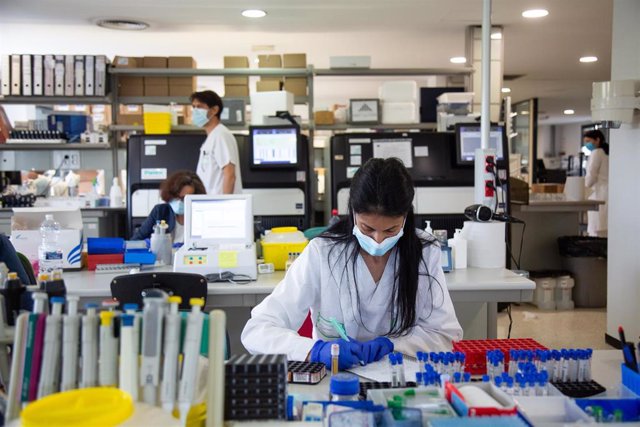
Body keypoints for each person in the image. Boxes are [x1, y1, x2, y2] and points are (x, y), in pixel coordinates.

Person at [242, 158, 462, 370]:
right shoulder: (323, 252)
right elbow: (257, 330)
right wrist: (313, 350)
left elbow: (445, 335)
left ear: (405, 217)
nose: (378, 240)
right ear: (353, 212)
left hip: (401, 379)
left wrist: (394, 345)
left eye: (390, 230)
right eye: (368, 228)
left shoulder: (424, 252)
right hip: (334, 378)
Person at [190, 90, 243, 195]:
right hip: (210, 202)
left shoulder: (221, 135)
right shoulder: (212, 137)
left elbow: (229, 174)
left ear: (214, 110)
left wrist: (224, 203)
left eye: (199, 107)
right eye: (193, 107)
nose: (195, 111)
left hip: (220, 205)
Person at [131, 170, 206, 243]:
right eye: (176, 197)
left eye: (184, 198)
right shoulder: (160, 212)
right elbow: (135, 241)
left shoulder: (203, 215)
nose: (179, 202)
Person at [583, 129, 609, 237]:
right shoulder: (606, 153)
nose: (586, 144)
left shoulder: (596, 153)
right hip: (606, 192)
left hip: (598, 193)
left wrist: (584, 188)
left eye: (588, 141)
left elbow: (591, 176)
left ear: (597, 140)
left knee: (596, 228)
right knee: (604, 226)